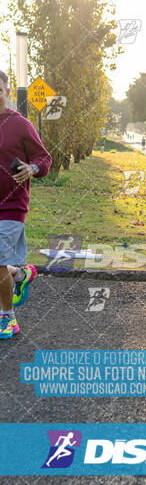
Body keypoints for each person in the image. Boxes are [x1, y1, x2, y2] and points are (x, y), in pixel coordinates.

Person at [0, 70, 52, 339]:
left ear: (7, 92)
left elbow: (44, 159)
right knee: (1, 265)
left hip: (12, 205)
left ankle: (8, 318)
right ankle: (19, 274)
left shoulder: (19, 124)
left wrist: (32, 168)